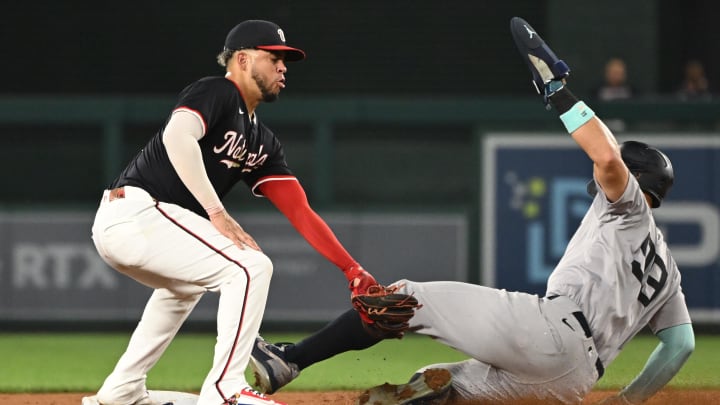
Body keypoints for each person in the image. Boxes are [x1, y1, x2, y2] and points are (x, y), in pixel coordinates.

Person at [248, 17, 695, 405]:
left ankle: (288, 361)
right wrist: (626, 399)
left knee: (401, 299)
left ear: (637, 183)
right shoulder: (668, 271)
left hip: (550, 332)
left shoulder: (628, 206)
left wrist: (558, 92)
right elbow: (679, 346)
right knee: (438, 387)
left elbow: (608, 159)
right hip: (572, 384)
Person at [82, 19, 379, 405]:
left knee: (182, 289)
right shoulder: (217, 91)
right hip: (136, 213)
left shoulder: (261, 141)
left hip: (146, 226)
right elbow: (177, 136)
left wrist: (351, 269)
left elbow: (300, 211)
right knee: (251, 266)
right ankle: (225, 390)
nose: (283, 67)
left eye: (285, 61)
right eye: (273, 57)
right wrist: (217, 212)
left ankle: (120, 392)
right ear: (241, 59)